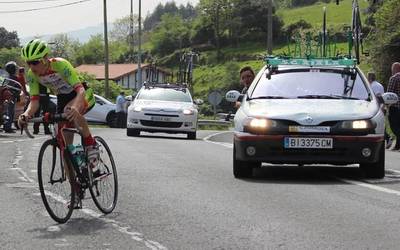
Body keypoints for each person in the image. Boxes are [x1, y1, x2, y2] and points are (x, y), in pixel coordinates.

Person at [18, 39, 97, 205]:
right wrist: (25, 114)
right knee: (65, 150)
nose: (31, 67)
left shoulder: (60, 65)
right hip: (62, 98)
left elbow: (80, 90)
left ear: (46, 58)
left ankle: (91, 143)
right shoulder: (32, 75)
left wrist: (76, 106)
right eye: (28, 63)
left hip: (82, 93)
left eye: (35, 62)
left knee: (70, 112)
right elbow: (35, 101)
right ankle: (75, 191)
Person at [3, 61, 22, 133]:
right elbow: (18, 88)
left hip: (5, 96)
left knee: (7, 112)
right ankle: (7, 127)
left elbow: (17, 88)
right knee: (9, 112)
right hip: (10, 97)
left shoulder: (5, 77)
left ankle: (7, 125)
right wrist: (17, 96)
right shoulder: (14, 78)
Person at [387, 62, 400, 150]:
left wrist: (386, 105)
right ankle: (398, 145)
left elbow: (389, 94)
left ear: (395, 69)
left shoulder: (394, 78)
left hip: (395, 106)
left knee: (394, 126)